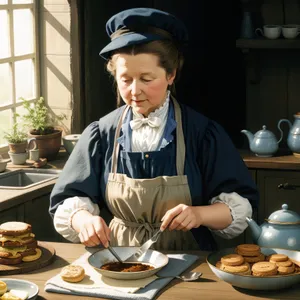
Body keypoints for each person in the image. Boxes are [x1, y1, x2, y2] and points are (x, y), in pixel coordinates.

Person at [49, 7, 259, 251]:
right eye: (125, 79)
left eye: (147, 79)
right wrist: (83, 220)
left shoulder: (202, 133)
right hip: (119, 257)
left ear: (171, 74)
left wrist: (199, 214)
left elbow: (240, 207)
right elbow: (68, 199)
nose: (135, 91)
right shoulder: (101, 133)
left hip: (190, 259)